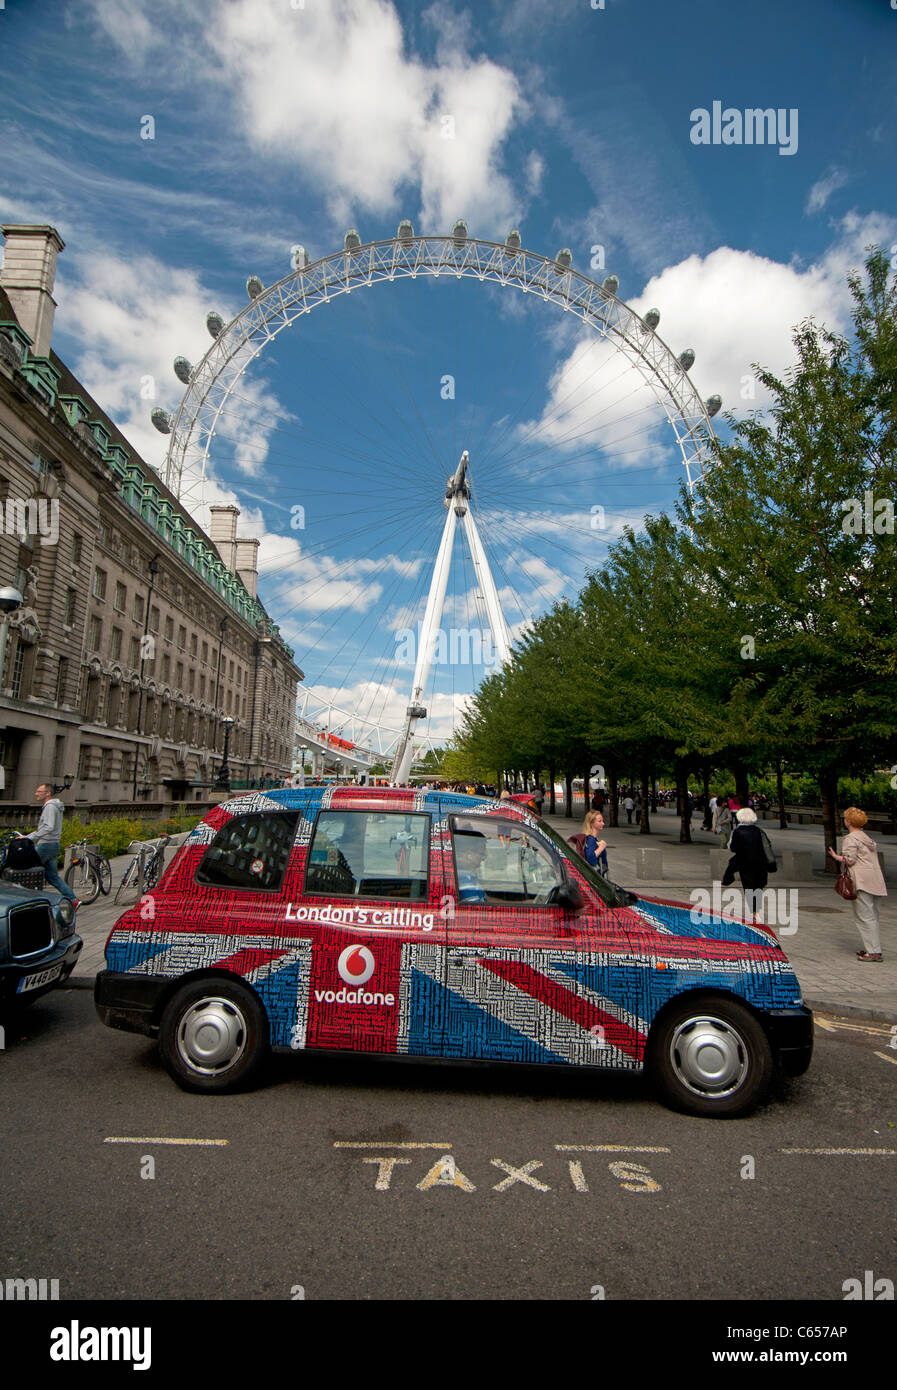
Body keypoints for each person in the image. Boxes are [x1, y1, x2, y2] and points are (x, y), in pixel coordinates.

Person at [828, 807, 887, 961]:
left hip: (861, 880)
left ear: (848, 821)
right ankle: (874, 948)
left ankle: (873, 952)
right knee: (873, 916)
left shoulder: (850, 838)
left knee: (864, 917)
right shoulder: (866, 838)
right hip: (875, 880)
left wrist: (836, 857)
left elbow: (850, 860)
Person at [18, 782, 77, 905]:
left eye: (39, 791)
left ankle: (29, 901)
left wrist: (29, 838)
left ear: (48, 793)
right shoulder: (55, 806)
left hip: (46, 845)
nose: (36, 794)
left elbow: (48, 827)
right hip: (53, 844)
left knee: (27, 871)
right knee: (52, 876)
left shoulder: (50, 806)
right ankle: (73, 900)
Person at [721, 807, 769, 924]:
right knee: (758, 887)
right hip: (761, 863)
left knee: (748, 887)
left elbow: (733, 848)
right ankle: (756, 912)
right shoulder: (759, 831)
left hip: (745, 863)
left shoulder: (737, 831)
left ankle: (754, 913)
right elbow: (767, 846)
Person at [454, 829, 488, 904]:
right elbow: (478, 910)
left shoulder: (468, 875)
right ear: (468, 854)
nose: (483, 858)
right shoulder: (463, 878)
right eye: (481, 854)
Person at [582, 809, 609, 875]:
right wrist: (601, 847)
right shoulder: (590, 840)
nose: (603, 823)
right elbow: (590, 858)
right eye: (600, 821)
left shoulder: (591, 839)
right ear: (592, 823)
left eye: (602, 821)